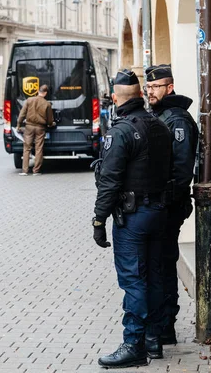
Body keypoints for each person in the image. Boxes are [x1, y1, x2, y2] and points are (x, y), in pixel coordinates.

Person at [92, 69, 173, 368]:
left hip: (133, 217)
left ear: (115, 98)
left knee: (134, 280)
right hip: (158, 212)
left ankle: (134, 344)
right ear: (140, 94)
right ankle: (153, 339)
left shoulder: (121, 132)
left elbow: (109, 182)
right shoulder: (159, 126)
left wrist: (99, 221)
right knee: (152, 276)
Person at [145, 64, 199, 346]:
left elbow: (181, 168)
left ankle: (166, 326)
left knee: (164, 266)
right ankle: (162, 325)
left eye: (156, 87)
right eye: (148, 87)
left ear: (170, 87)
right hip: (161, 205)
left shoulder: (176, 119)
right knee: (158, 265)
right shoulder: (160, 115)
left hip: (169, 206)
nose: (151, 92)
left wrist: (169, 202)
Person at [15, 84, 55, 176]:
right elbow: (50, 120)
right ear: (45, 93)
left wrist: (18, 125)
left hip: (28, 127)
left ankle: (24, 171)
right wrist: (51, 124)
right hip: (40, 128)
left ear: (38, 91)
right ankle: (36, 171)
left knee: (27, 148)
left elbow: (22, 115)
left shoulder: (29, 100)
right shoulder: (47, 104)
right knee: (39, 149)